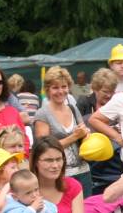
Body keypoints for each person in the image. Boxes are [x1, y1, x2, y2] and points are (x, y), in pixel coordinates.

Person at [32, 66, 93, 194]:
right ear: (48, 90)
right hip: (58, 174)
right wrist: (74, 137)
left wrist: (86, 135)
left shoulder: (72, 108)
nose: (60, 91)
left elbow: (84, 134)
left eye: (64, 87)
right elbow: (43, 148)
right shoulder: (42, 114)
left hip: (83, 171)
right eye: (55, 87)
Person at [77, 68, 123, 195]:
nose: (109, 95)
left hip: (116, 163)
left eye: (112, 91)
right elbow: (79, 127)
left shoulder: (117, 103)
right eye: (105, 91)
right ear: (95, 89)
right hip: (94, 161)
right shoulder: (84, 103)